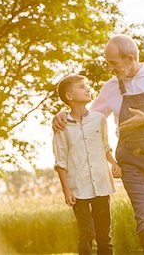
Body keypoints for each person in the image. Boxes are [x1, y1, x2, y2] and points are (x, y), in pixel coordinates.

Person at [53, 34, 144, 255]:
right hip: (132, 161)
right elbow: (87, 117)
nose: (110, 68)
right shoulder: (111, 87)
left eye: (113, 63)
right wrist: (62, 114)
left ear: (130, 58)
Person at [52, 74, 122, 255]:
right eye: (82, 87)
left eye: (87, 86)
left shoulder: (99, 119)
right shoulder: (62, 126)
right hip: (78, 188)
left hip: (101, 183)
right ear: (69, 96)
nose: (87, 89)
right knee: (86, 233)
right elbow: (60, 161)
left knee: (104, 236)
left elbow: (105, 146)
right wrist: (66, 190)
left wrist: (114, 163)